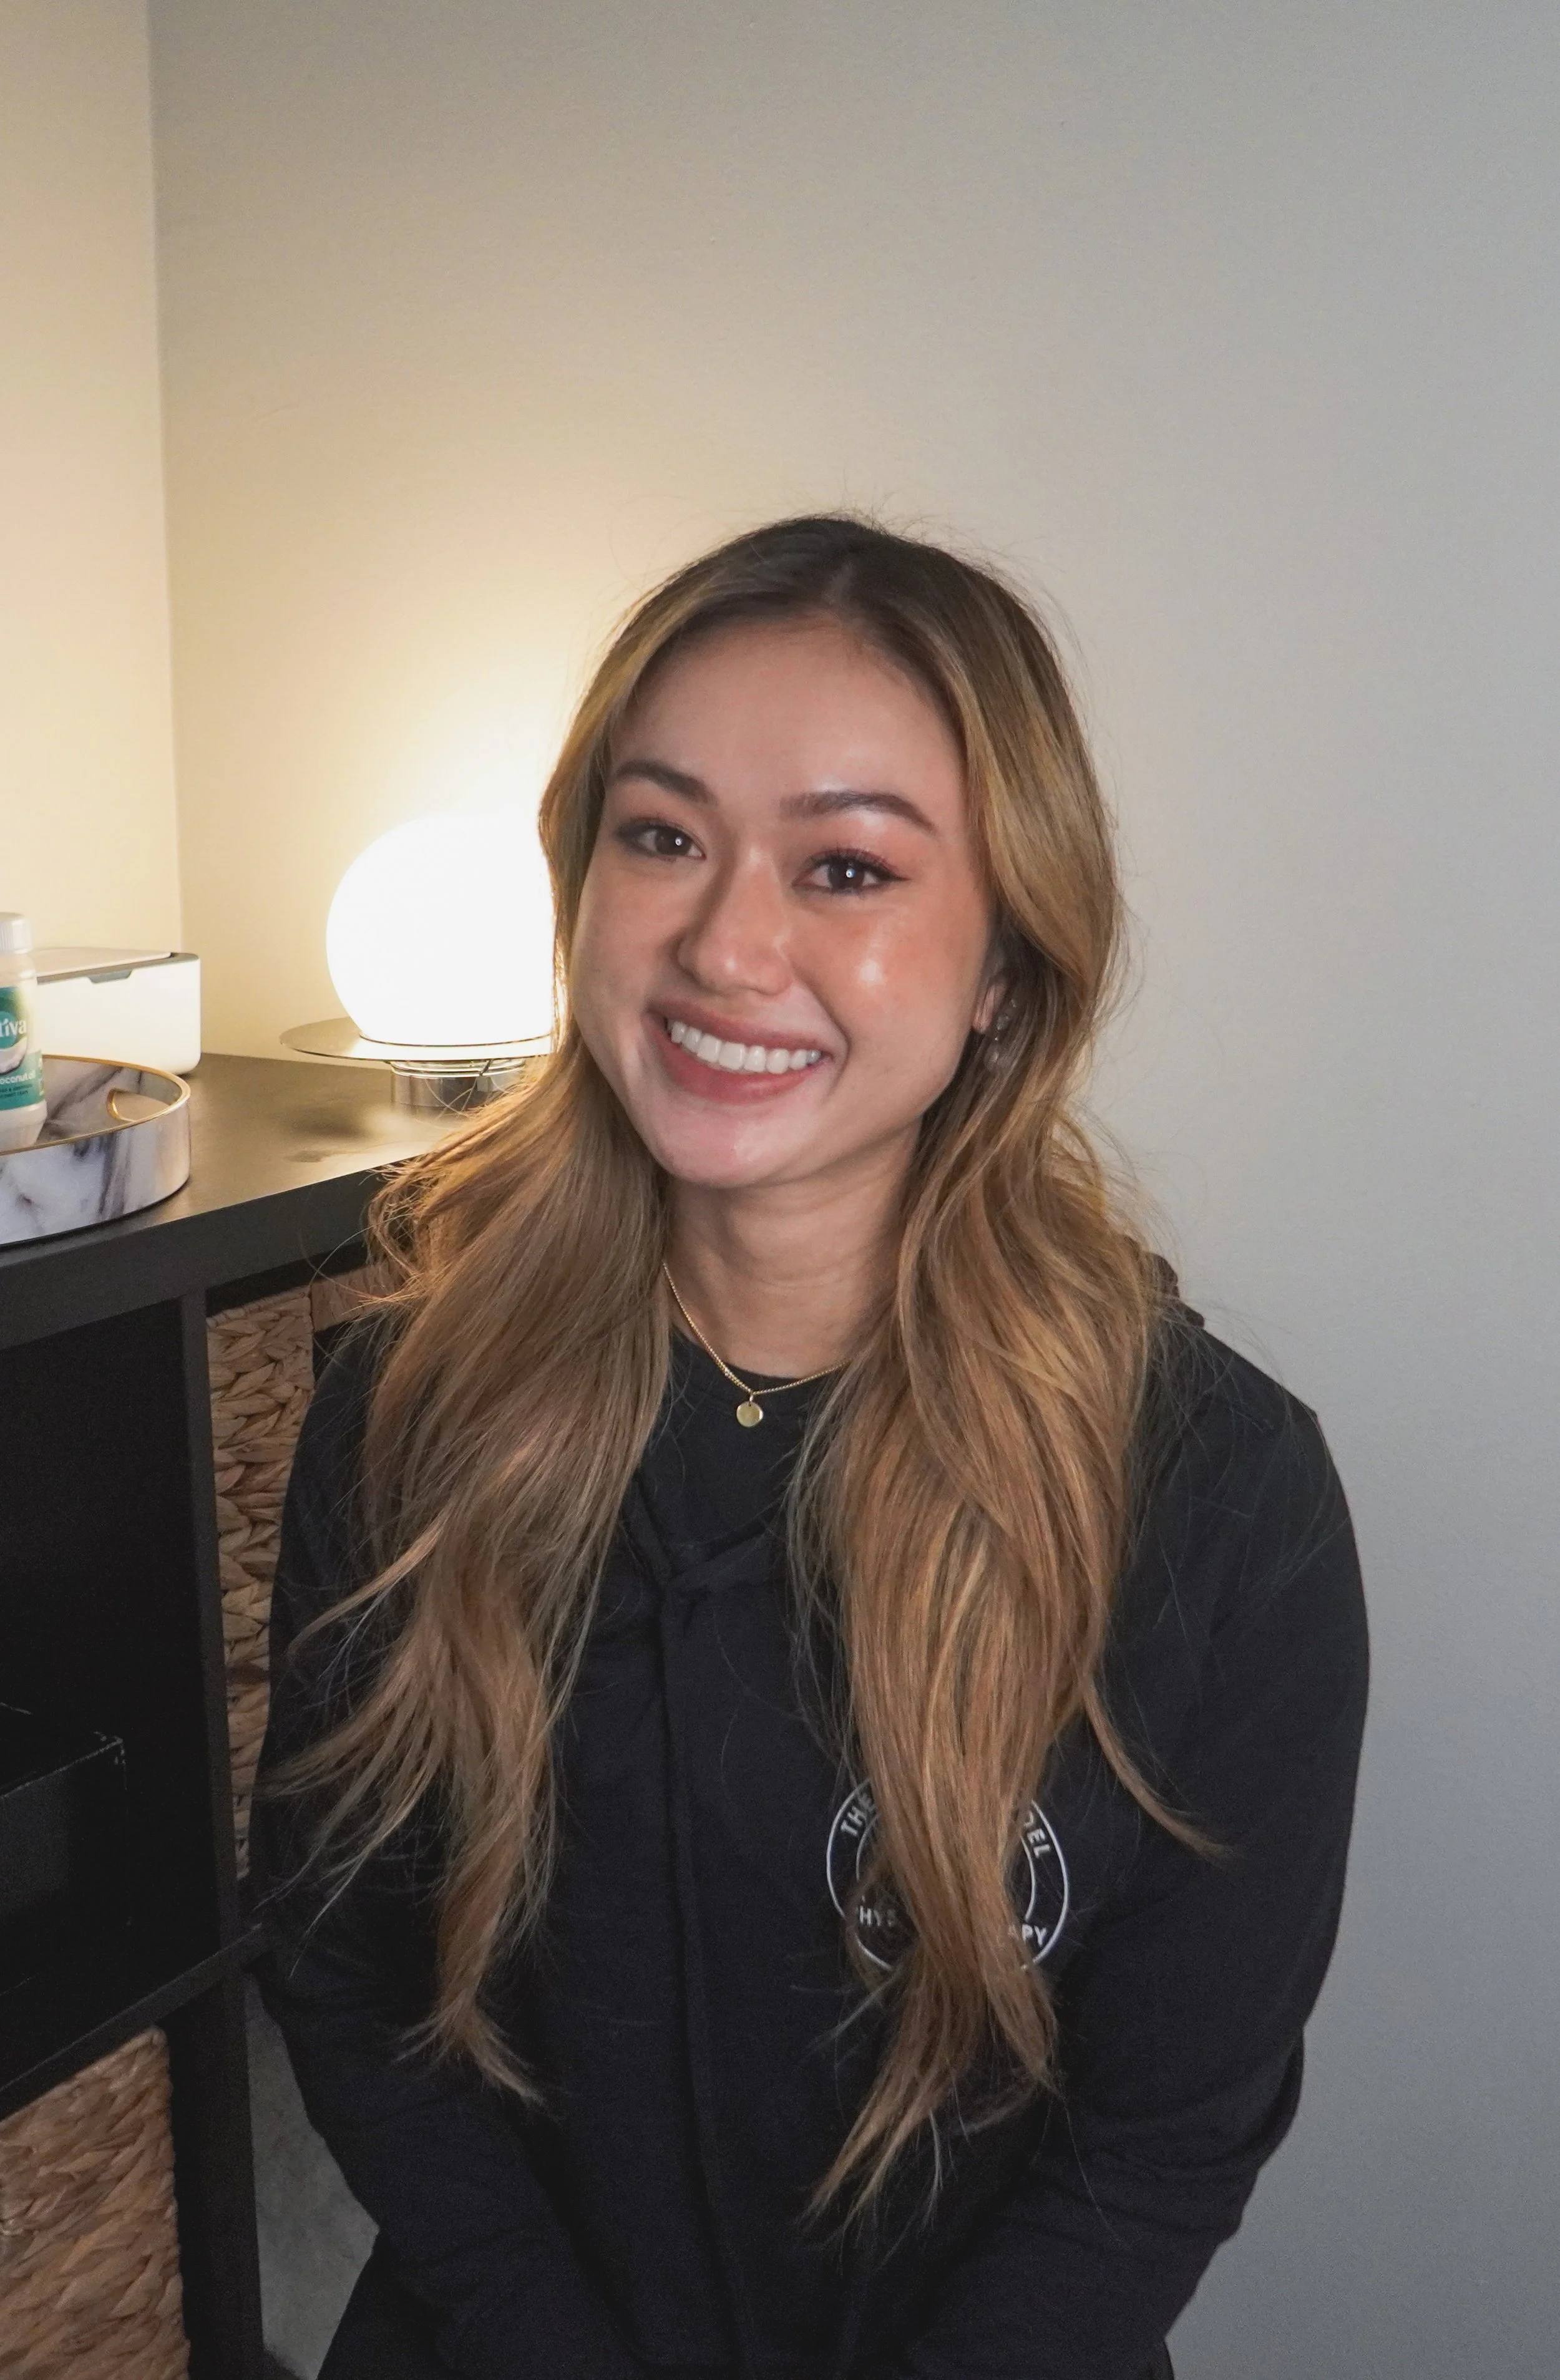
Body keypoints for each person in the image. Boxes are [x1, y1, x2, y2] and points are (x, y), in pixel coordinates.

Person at [253, 515, 1368, 2380]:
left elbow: (1157, 2146)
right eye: (662, 835)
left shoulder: (1218, 1500)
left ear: (1006, 962)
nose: (724, 941)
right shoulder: (406, 1409)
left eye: (844, 866)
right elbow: (343, 1968)